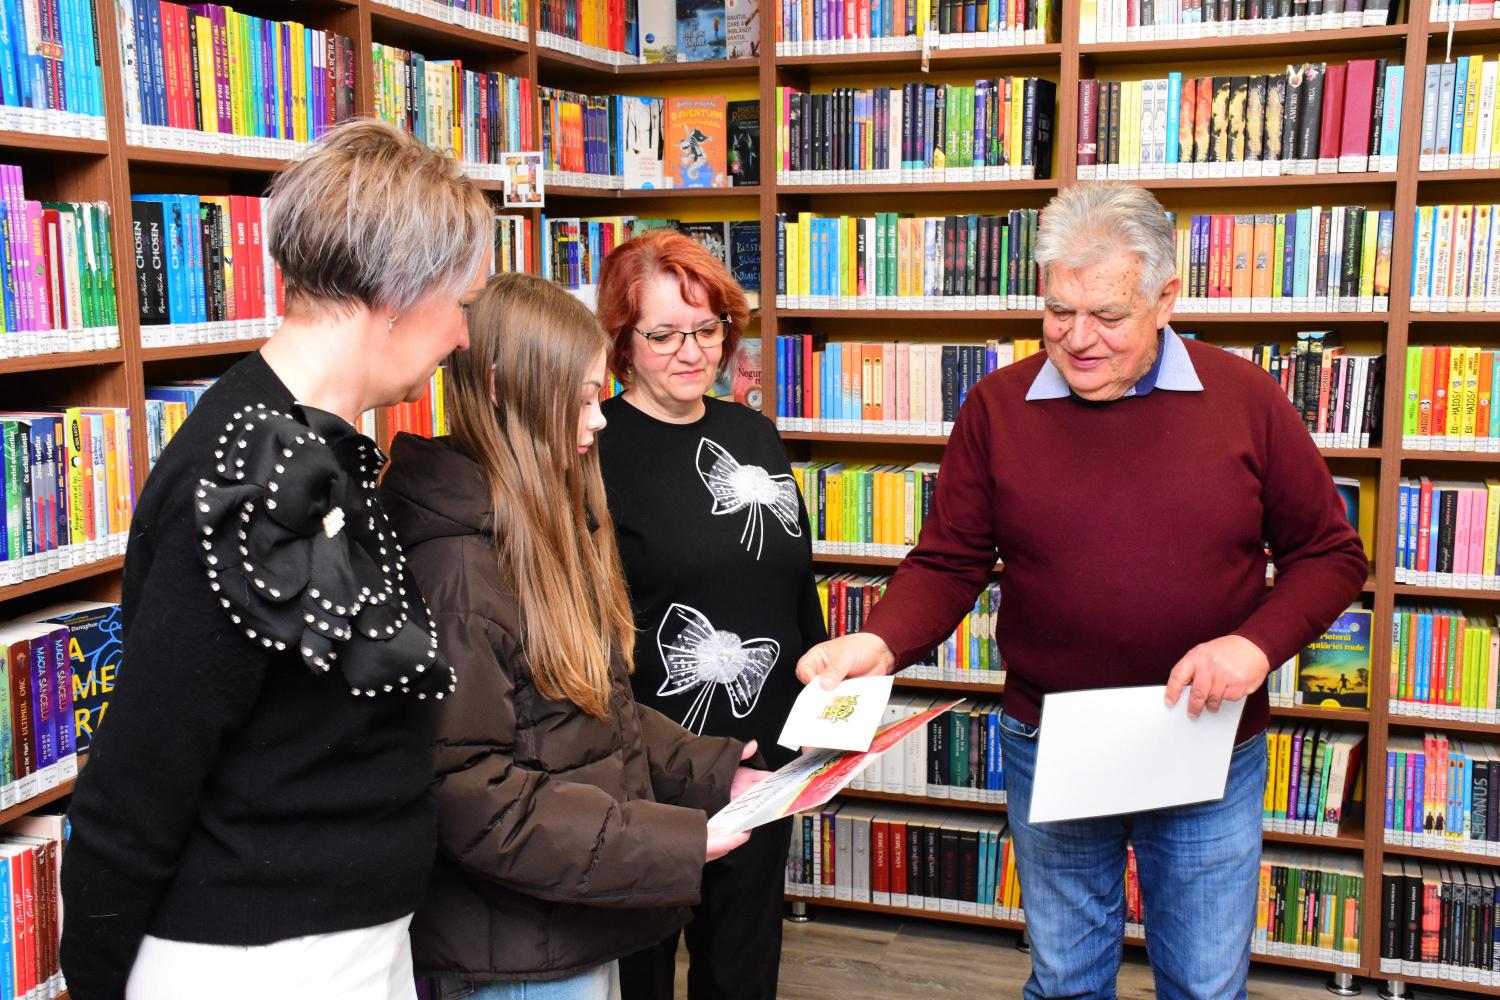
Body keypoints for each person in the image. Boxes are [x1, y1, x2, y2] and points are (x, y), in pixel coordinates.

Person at [795, 182, 1368, 1000]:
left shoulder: (1246, 398)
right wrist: (878, 641)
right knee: (1066, 979)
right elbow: (950, 562)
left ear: (1166, 299)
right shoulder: (998, 407)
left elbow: (1330, 555)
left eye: (1108, 315)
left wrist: (1254, 647)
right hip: (1052, 733)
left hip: (1204, 733)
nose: (1078, 338)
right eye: (1059, 311)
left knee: (1205, 984)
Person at [58, 119, 493, 1000]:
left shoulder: (312, 445)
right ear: (397, 293)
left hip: (332, 941)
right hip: (263, 959)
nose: (462, 337)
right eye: (462, 304)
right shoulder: (245, 474)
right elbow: (145, 764)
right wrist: (96, 979)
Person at [382, 272, 765, 1000]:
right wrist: (673, 841)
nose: (600, 420)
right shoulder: (459, 571)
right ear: (504, 389)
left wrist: (716, 771)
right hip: (519, 956)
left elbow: (586, 716)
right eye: (583, 398)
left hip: (563, 923)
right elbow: (475, 797)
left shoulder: (536, 524)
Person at [593, 230, 827, 1000]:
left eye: (707, 329)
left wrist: (824, 711)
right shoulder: (593, 449)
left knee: (742, 968)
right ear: (622, 342)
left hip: (764, 757)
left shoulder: (751, 433)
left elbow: (793, 584)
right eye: (663, 335)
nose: (692, 352)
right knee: (641, 972)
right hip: (649, 763)